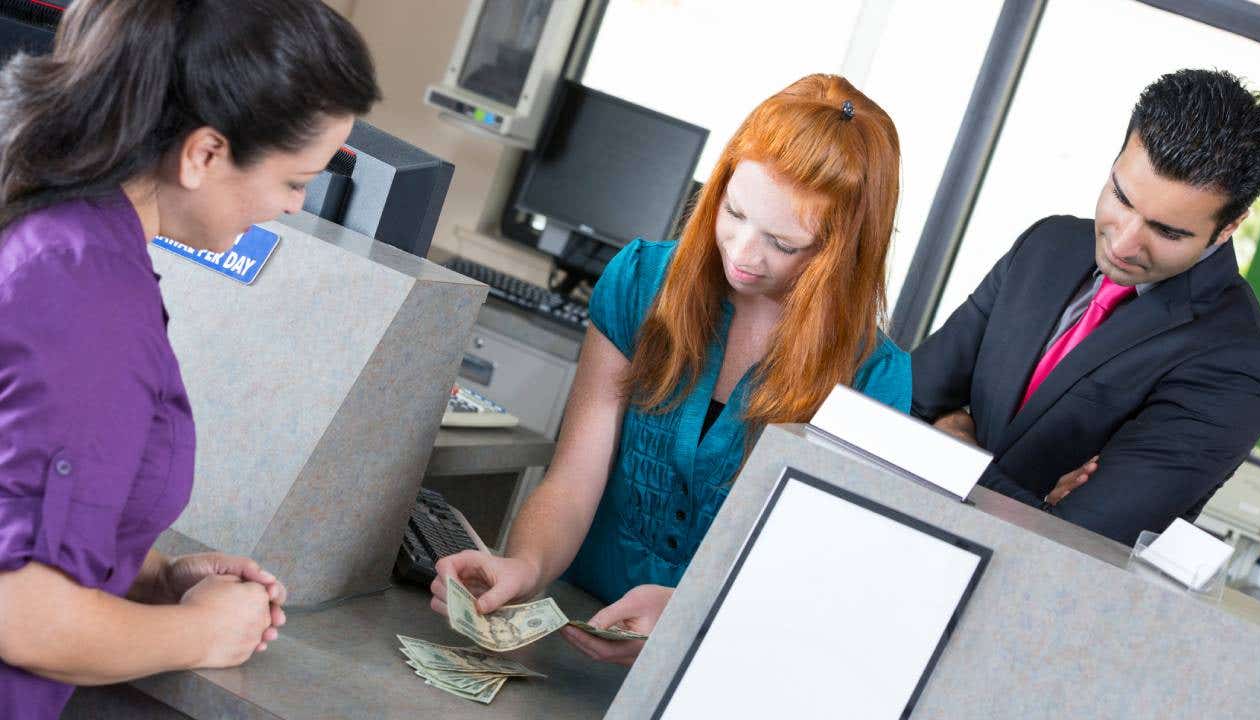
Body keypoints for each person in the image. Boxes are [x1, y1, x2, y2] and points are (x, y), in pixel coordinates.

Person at [431, 74, 911, 664]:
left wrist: (691, 614)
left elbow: (811, 586)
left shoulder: (875, 383)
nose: (741, 253)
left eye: (783, 244)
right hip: (577, 630)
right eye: (733, 212)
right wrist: (526, 565)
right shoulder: (640, 281)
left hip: (719, 667)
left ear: (845, 251)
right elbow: (576, 474)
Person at [0, 1, 379, 716]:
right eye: (295, 181)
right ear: (204, 154)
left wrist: (154, 573)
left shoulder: (74, 244)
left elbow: (21, 505)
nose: (296, 207)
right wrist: (200, 631)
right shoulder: (84, 295)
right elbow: (23, 615)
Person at [912, 69, 1260, 547]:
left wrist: (951, 436)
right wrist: (1033, 497)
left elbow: (1080, 540)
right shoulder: (1048, 245)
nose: (1124, 243)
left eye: (1167, 231)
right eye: (1121, 198)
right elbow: (906, 401)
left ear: (1229, 227)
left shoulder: (1239, 362)